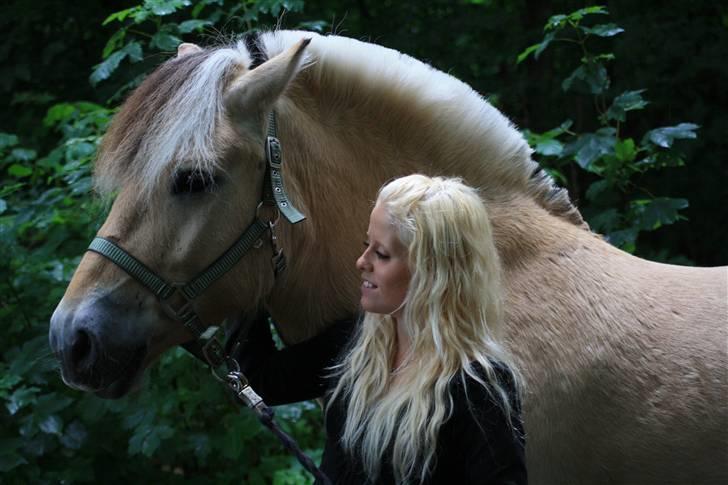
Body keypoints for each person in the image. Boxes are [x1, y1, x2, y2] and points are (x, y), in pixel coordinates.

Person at [241, 174, 527, 484]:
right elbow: (263, 381)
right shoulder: (353, 344)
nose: (361, 262)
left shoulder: (477, 386)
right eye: (367, 246)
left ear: (431, 274)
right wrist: (241, 281)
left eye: (382, 254)